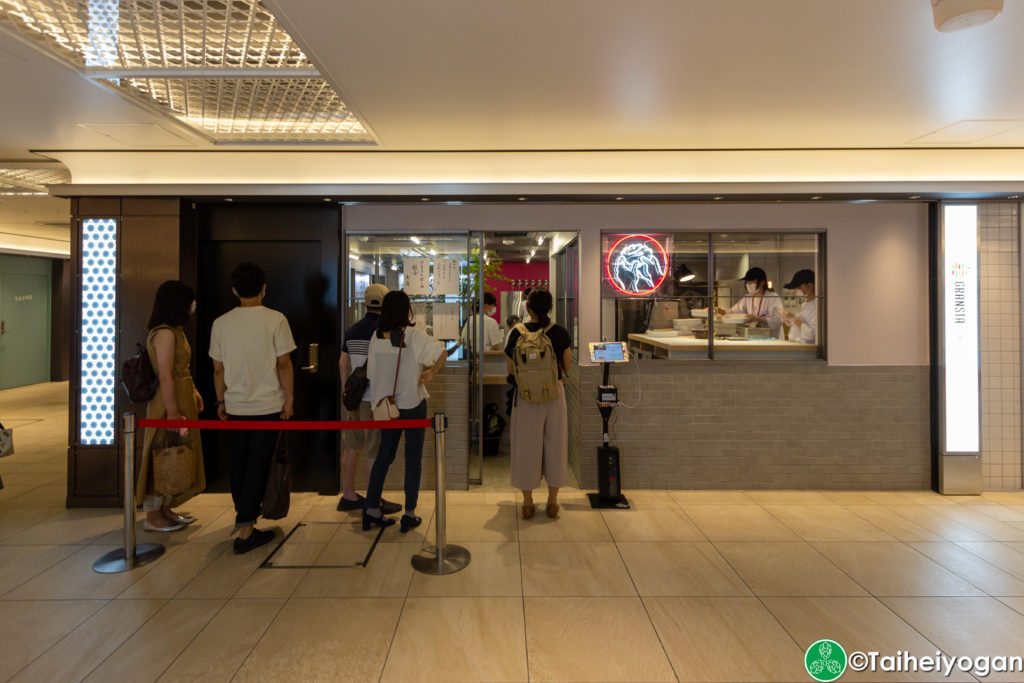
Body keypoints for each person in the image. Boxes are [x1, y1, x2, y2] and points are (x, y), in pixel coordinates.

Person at [210, 262, 296, 554]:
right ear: (263, 289)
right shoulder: (276, 320)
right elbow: (284, 363)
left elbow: (218, 370)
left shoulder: (221, 323)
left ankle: (244, 518)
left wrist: (220, 401)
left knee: (240, 463)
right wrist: (289, 399)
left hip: (235, 406)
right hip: (267, 405)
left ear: (235, 290)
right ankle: (245, 529)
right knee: (259, 465)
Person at [363, 290, 447, 532]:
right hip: (412, 405)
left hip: (385, 408)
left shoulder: (376, 336)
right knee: (413, 459)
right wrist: (431, 373)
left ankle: (371, 509)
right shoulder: (414, 336)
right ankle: (409, 514)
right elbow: (442, 352)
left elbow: (370, 374)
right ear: (407, 310)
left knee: (384, 456)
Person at [136, 280, 205, 532]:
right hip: (167, 401)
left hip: (181, 395)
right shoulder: (164, 332)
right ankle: (154, 515)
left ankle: (167, 508)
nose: (192, 306)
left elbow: (180, 370)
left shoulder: (175, 330)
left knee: (175, 453)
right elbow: (165, 375)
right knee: (160, 453)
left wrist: (194, 392)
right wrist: (173, 412)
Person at [505, 289, 572, 520]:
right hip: (554, 394)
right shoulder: (560, 332)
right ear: (550, 308)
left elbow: (511, 369)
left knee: (527, 447)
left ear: (528, 308)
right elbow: (566, 366)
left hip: (524, 397)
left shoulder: (517, 333)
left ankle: (527, 502)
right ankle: (553, 502)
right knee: (556, 445)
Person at [336, 283, 401, 515]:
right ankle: (374, 502)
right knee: (373, 451)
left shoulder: (352, 330)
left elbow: (343, 363)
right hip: (373, 399)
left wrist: (346, 391)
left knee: (352, 447)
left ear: (364, 303)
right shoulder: (385, 330)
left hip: (352, 399)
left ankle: (348, 495)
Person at [715, 266, 783, 337]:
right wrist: (720, 311)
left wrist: (757, 319)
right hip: (755, 337)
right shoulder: (748, 297)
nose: (749, 284)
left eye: (752, 281)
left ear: (762, 282)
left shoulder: (772, 297)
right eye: (747, 282)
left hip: (772, 339)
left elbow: (778, 320)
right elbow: (733, 312)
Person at [781, 269, 818, 344]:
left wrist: (794, 319)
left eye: (799, 288)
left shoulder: (817, 306)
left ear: (810, 286)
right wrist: (789, 319)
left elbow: (812, 334)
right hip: (797, 345)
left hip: (808, 349)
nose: (796, 292)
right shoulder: (805, 304)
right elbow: (800, 324)